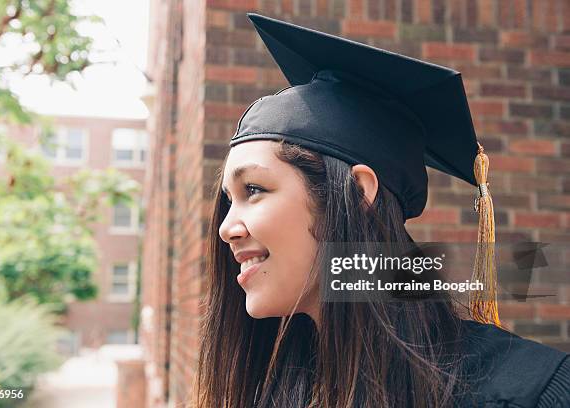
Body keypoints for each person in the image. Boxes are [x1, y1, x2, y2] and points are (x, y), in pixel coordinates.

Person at [192, 14, 570, 408]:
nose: (225, 228)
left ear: (358, 193)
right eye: (228, 199)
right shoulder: (281, 390)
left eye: (253, 189)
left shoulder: (533, 391)